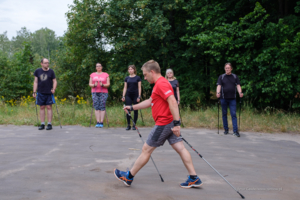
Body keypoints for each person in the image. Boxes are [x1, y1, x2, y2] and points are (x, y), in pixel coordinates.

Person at [114, 60, 203, 188]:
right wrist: (132, 107)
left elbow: (172, 101)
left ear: (152, 72)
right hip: (169, 122)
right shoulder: (158, 85)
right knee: (180, 148)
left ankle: (128, 177)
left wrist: (177, 124)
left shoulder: (161, 83)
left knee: (146, 150)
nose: (144, 78)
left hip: (164, 123)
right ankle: (194, 177)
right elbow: (150, 101)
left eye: (145, 75)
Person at [216, 63, 243, 137]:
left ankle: (235, 131)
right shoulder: (221, 77)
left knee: (233, 114)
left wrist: (240, 92)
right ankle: (226, 129)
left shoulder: (234, 76)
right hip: (223, 98)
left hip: (232, 99)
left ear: (231, 68)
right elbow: (219, 85)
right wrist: (217, 92)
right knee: (224, 114)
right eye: (226, 68)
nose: (227, 69)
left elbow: (238, 85)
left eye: (228, 68)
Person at [33, 58, 57, 130]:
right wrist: (34, 92)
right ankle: (42, 124)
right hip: (40, 92)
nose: (47, 64)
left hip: (49, 92)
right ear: (42, 64)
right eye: (46, 63)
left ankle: (49, 124)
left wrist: (54, 88)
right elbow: (35, 82)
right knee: (42, 107)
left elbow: (55, 81)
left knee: (49, 107)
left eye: (48, 63)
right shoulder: (37, 71)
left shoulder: (51, 71)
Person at [89, 63, 110, 128]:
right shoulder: (92, 74)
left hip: (103, 92)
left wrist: (103, 85)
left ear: (102, 67)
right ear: (95, 67)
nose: (98, 67)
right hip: (94, 92)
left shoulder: (105, 74)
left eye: (99, 66)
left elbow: (108, 84)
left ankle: (101, 122)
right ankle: (98, 122)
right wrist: (94, 85)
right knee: (96, 106)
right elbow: (90, 84)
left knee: (102, 106)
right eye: (97, 66)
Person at [122, 65, 142, 130]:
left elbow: (139, 87)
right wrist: (123, 96)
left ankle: (134, 125)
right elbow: (125, 87)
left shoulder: (138, 78)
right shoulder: (127, 78)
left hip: (135, 95)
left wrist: (139, 96)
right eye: (129, 69)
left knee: (135, 109)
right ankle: (128, 125)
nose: (130, 70)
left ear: (134, 70)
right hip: (128, 95)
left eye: (131, 69)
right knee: (128, 110)